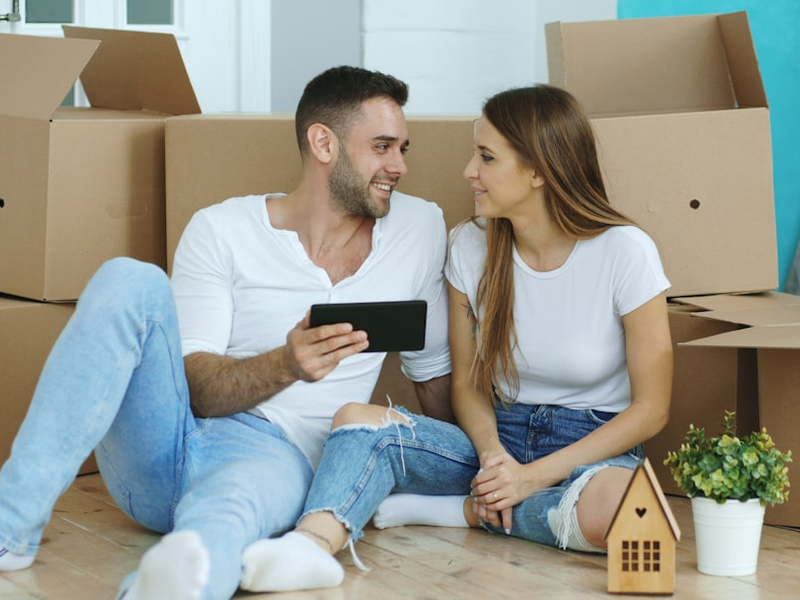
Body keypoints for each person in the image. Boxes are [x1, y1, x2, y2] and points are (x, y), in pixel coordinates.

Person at [0, 65, 452, 600]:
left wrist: (467, 471)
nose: (398, 165)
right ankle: (10, 529)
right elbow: (195, 388)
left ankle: (168, 585)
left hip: (278, 456)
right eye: (382, 146)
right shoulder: (223, 229)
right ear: (323, 142)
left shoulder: (419, 229)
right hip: (165, 442)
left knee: (220, 522)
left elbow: (434, 376)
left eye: (403, 148)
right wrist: (286, 364)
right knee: (129, 279)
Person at [237, 84, 673, 593]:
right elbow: (467, 385)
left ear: (538, 171)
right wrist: (495, 462)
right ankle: (308, 547)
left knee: (636, 516)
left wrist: (531, 478)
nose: (469, 171)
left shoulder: (625, 252)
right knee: (358, 421)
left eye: (486, 157)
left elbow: (651, 409)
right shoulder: (469, 246)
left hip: (591, 449)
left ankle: (467, 512)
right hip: (497, 440)